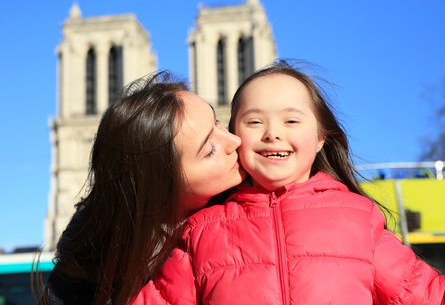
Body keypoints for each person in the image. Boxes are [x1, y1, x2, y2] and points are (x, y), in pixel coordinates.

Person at [133, 60, 445, 304]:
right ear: (233, 136)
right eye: (254, 122)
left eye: (291, 120)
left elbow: (425, 293)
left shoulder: (357, 217)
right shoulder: (202, 231)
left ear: (322, 137)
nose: (272, 133)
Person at [36, 71, 245, 305]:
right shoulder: (90, 264)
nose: (235, 140)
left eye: (217, 122)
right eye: (210, 150)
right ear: (161, 184)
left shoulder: (262, 206)